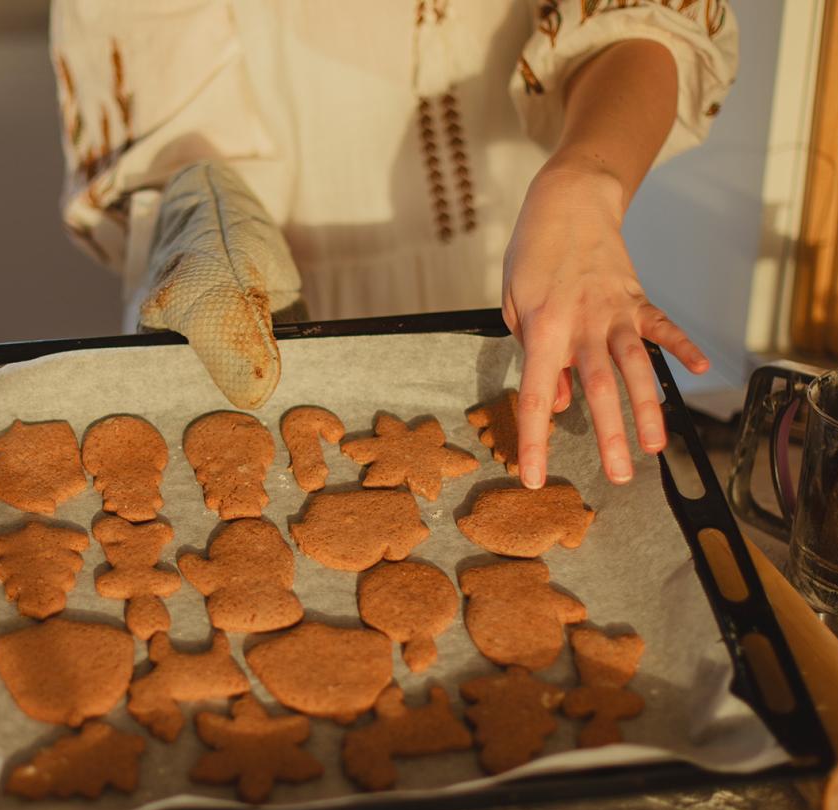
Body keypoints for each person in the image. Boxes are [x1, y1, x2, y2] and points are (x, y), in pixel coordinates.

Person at [50, 1, 738, 487]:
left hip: (524, 280)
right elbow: (162, 111)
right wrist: (207, 213)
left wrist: (585, 181)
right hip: (258, 302)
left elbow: (642, 19)